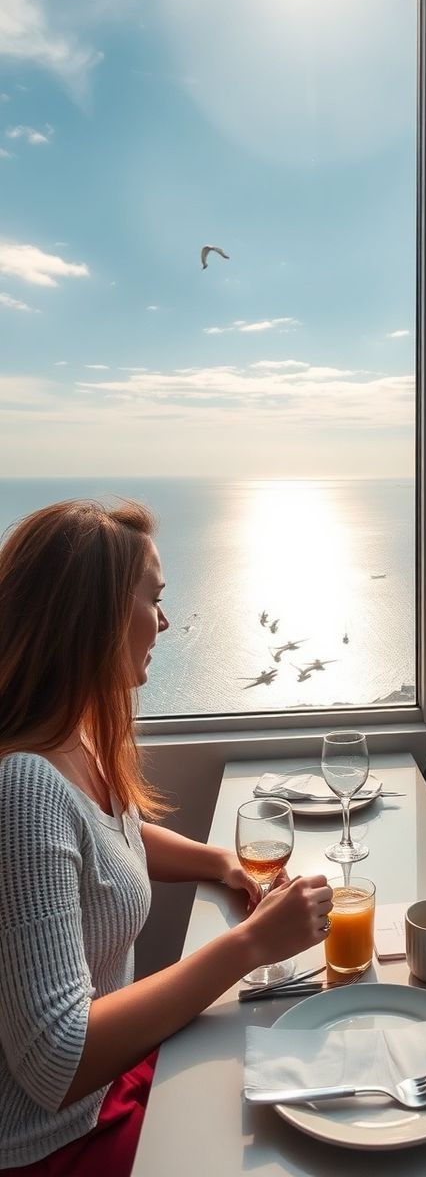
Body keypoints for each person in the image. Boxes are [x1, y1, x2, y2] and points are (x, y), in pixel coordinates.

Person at [0, 500, 332, 1175]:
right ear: (92, 615)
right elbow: (55, 1062)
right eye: (155, 598)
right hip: (61, 1140)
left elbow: (109, 840)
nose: (166, 620)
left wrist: (221, 863)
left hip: (110, 1089)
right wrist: (249, 945)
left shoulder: (74, 745)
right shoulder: (23, 788)